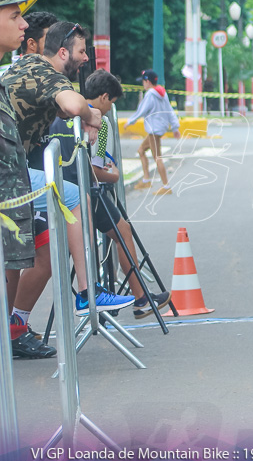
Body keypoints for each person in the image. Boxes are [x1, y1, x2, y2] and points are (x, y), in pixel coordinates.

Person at [3, 20, 133, 340]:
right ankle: (89, 293)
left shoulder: (41, 81)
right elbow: (77, 113)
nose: (86, 57)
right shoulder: (51, 78)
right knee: (83, 202)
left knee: (41, 255)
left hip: (28, 177)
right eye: (81, 51)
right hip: (23, 177)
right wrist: (93, 117)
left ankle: (14, 329)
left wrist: (91, 120)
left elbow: (71, 116)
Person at [48, 70, 170, 318]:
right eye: (112, 103)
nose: (109, 109)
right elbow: (96, 169)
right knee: (123, 232)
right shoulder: (99, 123)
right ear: (104, 97)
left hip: (59, 191)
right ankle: (141, 298)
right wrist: (114, 175)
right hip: (87, 193)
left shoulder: (60, 114)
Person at [0, 0, 52, 358]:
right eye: (15, 16)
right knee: (75, 197)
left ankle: (14, 326)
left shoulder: (91, 89)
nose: (23, 27)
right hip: (38, 185)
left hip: (25, 192)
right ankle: (87, 293)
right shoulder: (39, 76)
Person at [125, 69, 180, 195]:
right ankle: (146, 179)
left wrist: (130, 121)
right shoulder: (162, 93)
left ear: (148, 81)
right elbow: (170, 111)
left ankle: (166, 186)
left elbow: (142, 110)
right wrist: (175, 127)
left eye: (144, 82)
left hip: (154, 130)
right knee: (141, 150)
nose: (143, 84)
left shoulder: (150, 94)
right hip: (158, 129)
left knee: (157, 157)